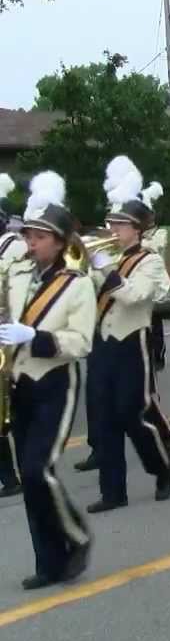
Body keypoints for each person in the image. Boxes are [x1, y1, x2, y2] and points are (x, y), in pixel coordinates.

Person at [1, 171, 94, 589]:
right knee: (28, 476)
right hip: (19, 383)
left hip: (56, 383)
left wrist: (34, 337)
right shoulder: (18, 274)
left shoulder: (77, 284)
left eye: (38, 237)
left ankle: (77, 537)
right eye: (28, 235)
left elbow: (81, 341)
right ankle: (48, 562)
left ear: (58, 242)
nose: (30, 242)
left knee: (39, 470)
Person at [84, 161, 170, 513]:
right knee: (105, 418)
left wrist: (104, 267)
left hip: (132, 342)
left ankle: (163, 466)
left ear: (137, 229)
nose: (113, 229)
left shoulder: (149, 261)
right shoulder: (105, 258)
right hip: (102, 342)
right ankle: (113, 492)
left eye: (120, 224)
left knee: (130, 414)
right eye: (112, 223)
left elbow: (135, 295)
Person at [0, 172, 26, 498]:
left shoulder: (16, 247)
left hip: (9, 334)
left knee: (12, 409)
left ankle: (17, 474)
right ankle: (7, 476)